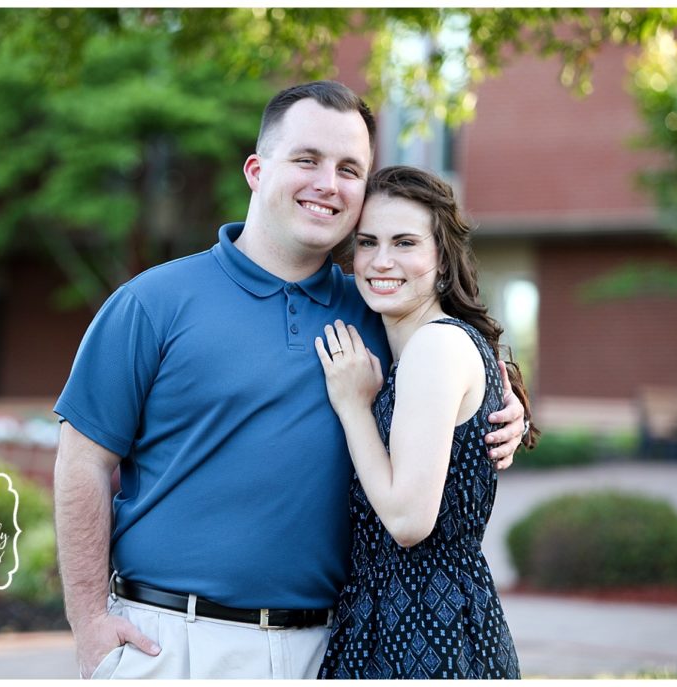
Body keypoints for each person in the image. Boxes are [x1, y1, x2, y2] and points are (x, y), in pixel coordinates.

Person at [52, 81, 528, 680]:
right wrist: (89, 623)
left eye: (349, 168)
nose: (328, 184)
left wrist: (510, 403)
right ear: (256, 169)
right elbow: (82, 463)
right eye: (307, 160)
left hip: (328, 649)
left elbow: (457, 363)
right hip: (174, 643)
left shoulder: (378, 307)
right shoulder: (152, 303)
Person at [314, 165, 537, 679]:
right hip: (405, 620)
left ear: (441, 260)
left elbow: (409, 522)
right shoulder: (423, 347)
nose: (382, 261)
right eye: (367, 242)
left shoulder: (435, 345)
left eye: (405, 242)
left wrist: (353, 408)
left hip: (423, 631)